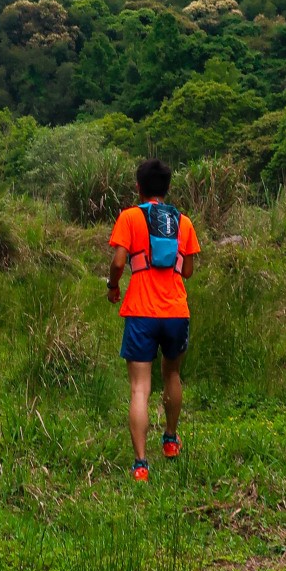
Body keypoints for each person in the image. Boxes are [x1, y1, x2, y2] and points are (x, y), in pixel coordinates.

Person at [107, 157, 201, 481]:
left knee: (139, 388)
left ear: (138, 186)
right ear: (167, 188)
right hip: (176, 311)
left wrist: (113, 285)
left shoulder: (130, 217)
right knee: (172, 375)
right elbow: (187, 270)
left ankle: (140, 465)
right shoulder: (183, 222)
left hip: (140, 312)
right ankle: (171, 440)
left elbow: (119, 261)